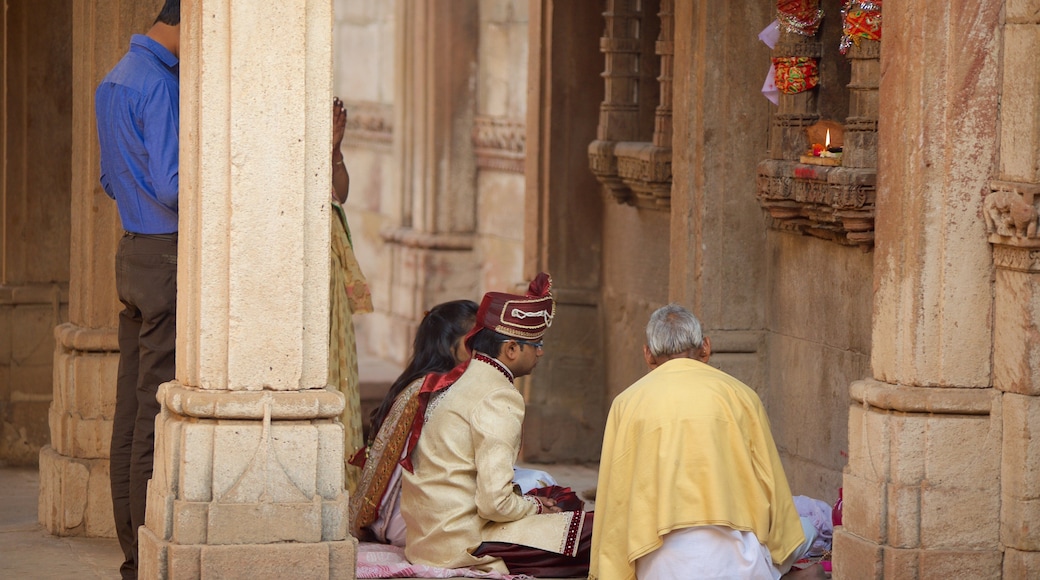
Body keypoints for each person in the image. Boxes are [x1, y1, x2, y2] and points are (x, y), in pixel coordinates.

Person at [589, 304, 825, 580]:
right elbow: (773, 491)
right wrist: (781, 548)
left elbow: (616, 499)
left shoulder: (626, 403)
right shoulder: (741, 395)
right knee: (806, 530)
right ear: (705, 348)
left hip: (658, 569)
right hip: (739, 564)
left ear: (648, 354)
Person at [400, 273, 592, 577]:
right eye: (536, 344)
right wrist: (536, 506)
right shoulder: (498, 396)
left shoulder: (460, 379)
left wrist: (534, 502)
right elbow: (495, 505)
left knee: (562, 500)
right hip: (464, 544)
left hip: (428, 540)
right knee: (599, 532)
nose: (541, 352)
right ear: (511, 349)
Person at [94, 1, 180, 577]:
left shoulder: (115, 77)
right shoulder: (161, 84)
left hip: (131, 251)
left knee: (130, 410)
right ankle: (142, 557)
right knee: (151, 411)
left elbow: (109, 178)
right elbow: (173, 187)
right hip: (164, 255)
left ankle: (131, 549)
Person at [349, 299, 479, 545]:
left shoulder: (416, 383)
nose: (484, 350)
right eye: (475, 341)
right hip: (414, 522)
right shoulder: (440, 391)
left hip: (391, 520)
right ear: (452, 347)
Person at [328, 96, 372, 493]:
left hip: (329, 268)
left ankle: (342, 480)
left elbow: (338, 195)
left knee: (337, 368)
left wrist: (334, 150)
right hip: (303, 267)